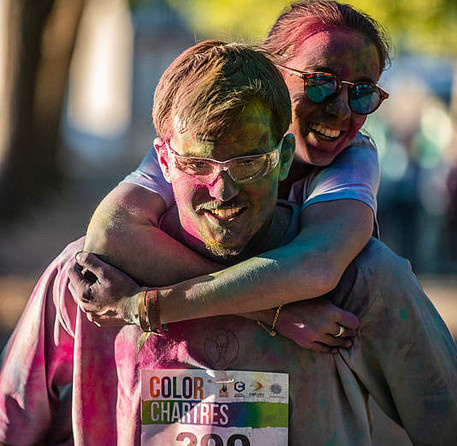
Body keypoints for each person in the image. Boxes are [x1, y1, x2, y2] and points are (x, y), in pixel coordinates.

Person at [79, 0, 388, 354]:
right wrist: (275, 313)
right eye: (321, 82)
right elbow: (110, 232)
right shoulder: (196, 136)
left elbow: (315, 267)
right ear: (272, 70)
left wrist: (146, 306)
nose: (340, 110)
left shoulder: (353, 157)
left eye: (363, 92)